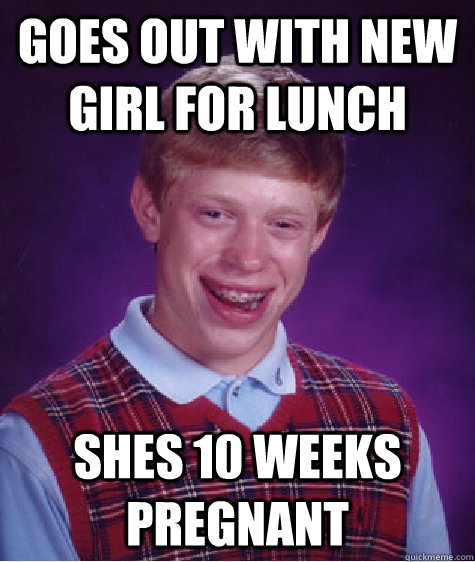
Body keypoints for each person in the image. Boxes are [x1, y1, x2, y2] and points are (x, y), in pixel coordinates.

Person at [0, 57, 450, 560]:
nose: (248, 258)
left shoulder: (387, 424)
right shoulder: (39, 449)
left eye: (283, 224)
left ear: (318, 233)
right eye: (215, 214)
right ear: (150, 210)